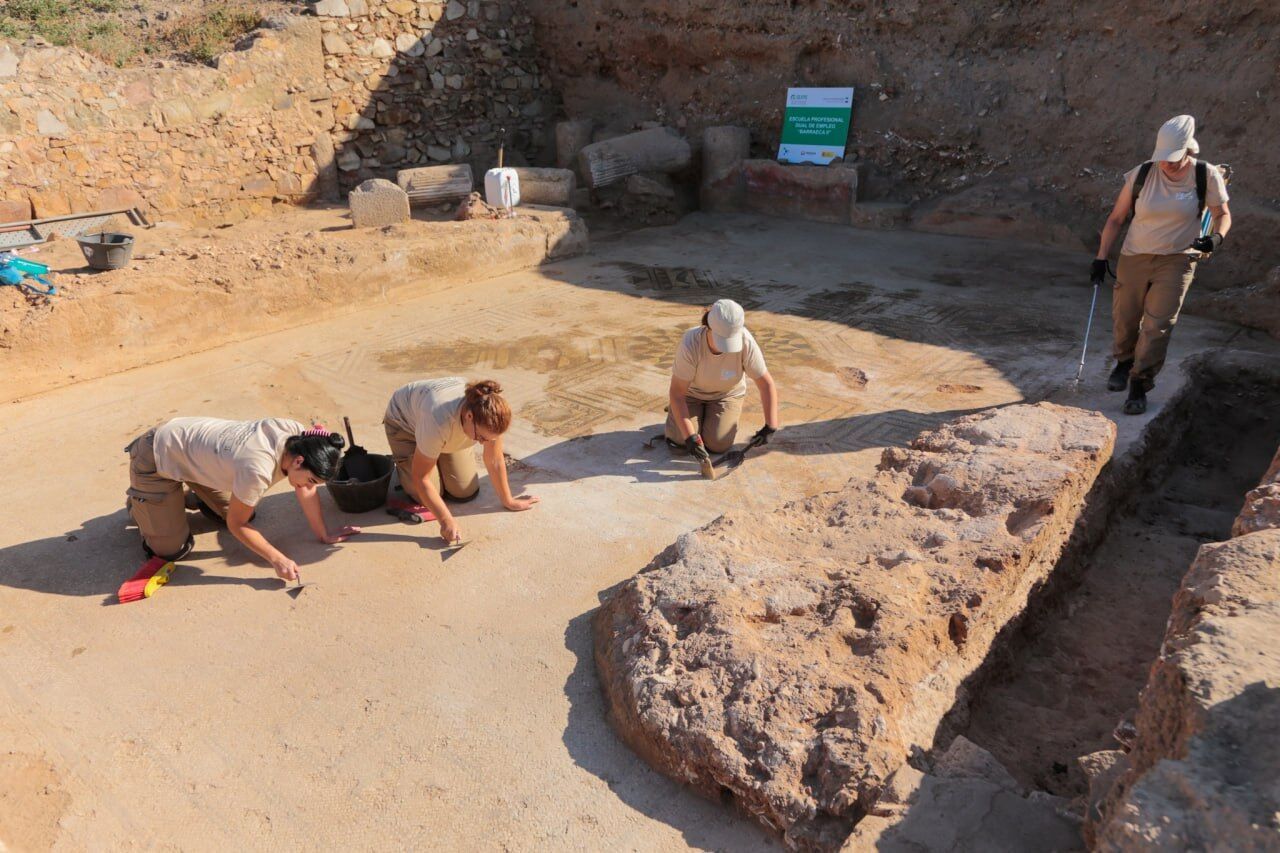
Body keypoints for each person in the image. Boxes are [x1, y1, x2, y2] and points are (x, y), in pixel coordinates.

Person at [1092, 114, 1231, 414]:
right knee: (1125, 318)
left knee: (1158, 325)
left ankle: (1140, 383)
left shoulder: (1205, 175)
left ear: (1186, 151)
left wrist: (1216, 238)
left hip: (1178, 259)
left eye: (1172, 158)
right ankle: (1124, 360)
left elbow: (1222, 213)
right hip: (1135, 256)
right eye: (1162, 157)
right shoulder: (1142, 174)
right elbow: (1116, 219)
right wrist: (1101, 258)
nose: (1165, 163)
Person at [125, 419, 361, 581]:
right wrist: (277, 559)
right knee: (172, 551)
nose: (309, 487)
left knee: (245, 510)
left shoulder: (300, 437)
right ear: (299, 461)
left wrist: (323, 534)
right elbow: (236, 525)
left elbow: (305, 490)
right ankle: (142, 504)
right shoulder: (257, 470)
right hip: (155, 457)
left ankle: (177, 500)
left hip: (197, 455)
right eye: (310, 480)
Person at [382, 378, 538, 545]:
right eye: (481, 438)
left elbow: (494, 459)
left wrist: (509, 501)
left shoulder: (491, 414)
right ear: (469, 416)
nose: (483, 443)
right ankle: (407, 466)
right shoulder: (437, 418)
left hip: (439, 429)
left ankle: (433, 452)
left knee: (464, 491)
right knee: (430, 493)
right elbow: (421, 478)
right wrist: (446, 521)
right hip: (405, 426)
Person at [664, 299, 781, 477]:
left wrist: (770, 426)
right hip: (690, 395)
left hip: (727, 395)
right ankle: (679, 416)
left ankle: (695, 419)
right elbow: (677, 393)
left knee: (719, 444)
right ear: (708, 327)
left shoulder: (746, 341)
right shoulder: (691, 343)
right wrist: (690, 438)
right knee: (680, 440)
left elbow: (766, 384)